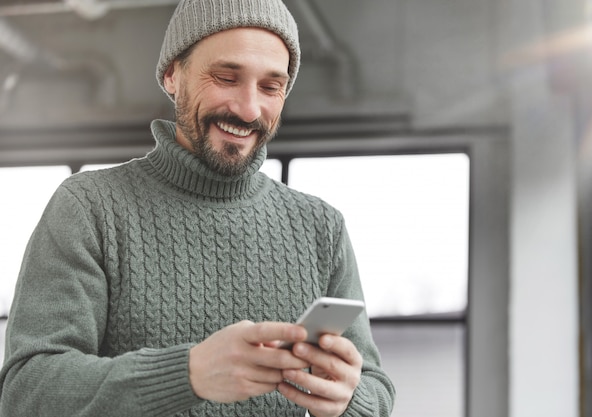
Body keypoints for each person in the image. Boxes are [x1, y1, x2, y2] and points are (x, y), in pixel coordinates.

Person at [0, 0, 396, 416]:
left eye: (270, 86)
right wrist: (188, 374)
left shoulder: (322, 227)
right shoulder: (89, 208)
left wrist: (352, 400)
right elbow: (28, 392)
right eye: (226, 77)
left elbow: (375, 388)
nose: (248, 109)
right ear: (173, 75)